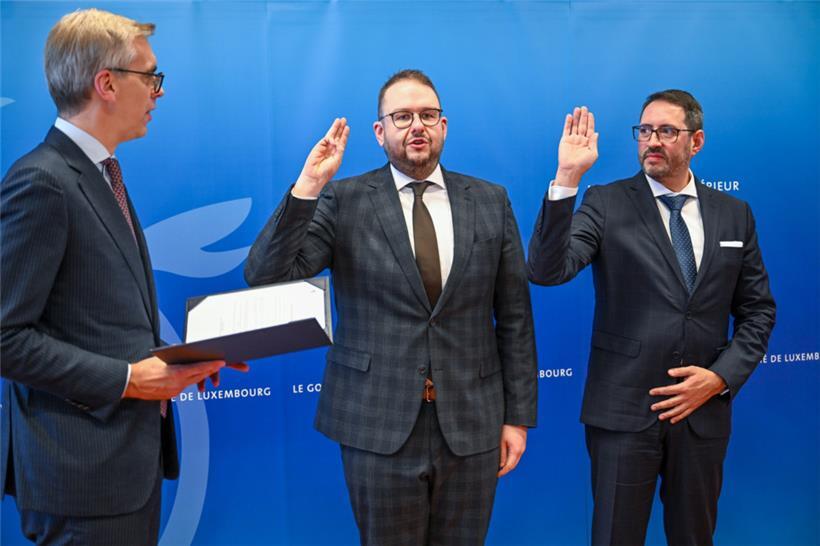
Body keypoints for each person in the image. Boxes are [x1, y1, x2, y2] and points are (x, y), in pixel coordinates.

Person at [245, 69, 538, 544]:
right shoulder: (343, 199)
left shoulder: (490, 200)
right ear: (380, 132)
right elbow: (266, 274)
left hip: (472, 424)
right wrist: (308, 186)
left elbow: (516, 319)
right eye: (402, 116)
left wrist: (517, 417)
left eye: (428, 115)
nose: (416, 126)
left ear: (444, 126)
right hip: (375, 423)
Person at [0, 9, 245, 545]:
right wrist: (129, 379)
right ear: (106, 84)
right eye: (150, 76)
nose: (158, 92)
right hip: (80, 479)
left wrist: (180, 361)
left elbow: (94, 319)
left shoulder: (100, 170)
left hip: (123, 471)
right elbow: (5, 339)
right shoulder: (42, 182)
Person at [527, 91, 775, 545]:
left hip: (701, 417)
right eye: (644, 131)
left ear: (696, 141)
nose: (651, 141)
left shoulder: (735, 215)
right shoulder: (605, 202)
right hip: (623, 415)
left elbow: (758, 311)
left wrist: (719, 379)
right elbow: (547, 270)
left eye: (666, 131)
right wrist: (566, 178)